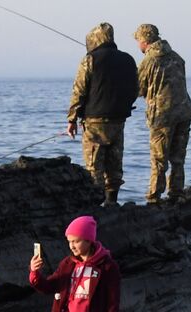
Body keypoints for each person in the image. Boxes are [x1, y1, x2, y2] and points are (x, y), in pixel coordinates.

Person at [66, 22, 139, 207]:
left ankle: (95, 207)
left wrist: (72, 119)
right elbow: (135, 89)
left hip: (94, 122)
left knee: (94, 167)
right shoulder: (128, 59)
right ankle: (112, 202)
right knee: (114, 165)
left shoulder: (90, 59)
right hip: (118, 120)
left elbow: (79, 91)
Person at [133, 23, 191, 204]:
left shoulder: (149, 61)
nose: (138, 45)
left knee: (159, 159)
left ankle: (154, 196)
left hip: (162, 116)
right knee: (178, 157)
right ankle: (176, 193)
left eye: (138, 41)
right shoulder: (177, 57)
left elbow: (138, 89)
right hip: (184, 112)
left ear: (144, 41)